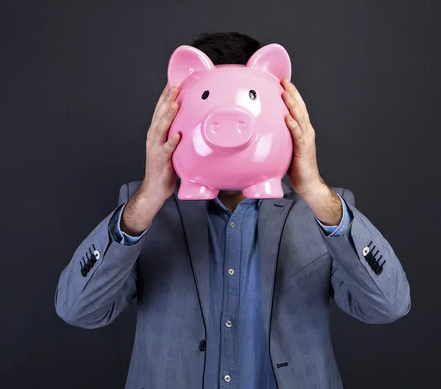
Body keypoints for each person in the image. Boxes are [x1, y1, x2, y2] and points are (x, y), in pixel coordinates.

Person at [54, 31, 411, 389]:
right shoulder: (144, 212)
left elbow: (388, 305)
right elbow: (79, 310)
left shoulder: (323, 212)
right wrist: (146, 200)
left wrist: (315, 190)